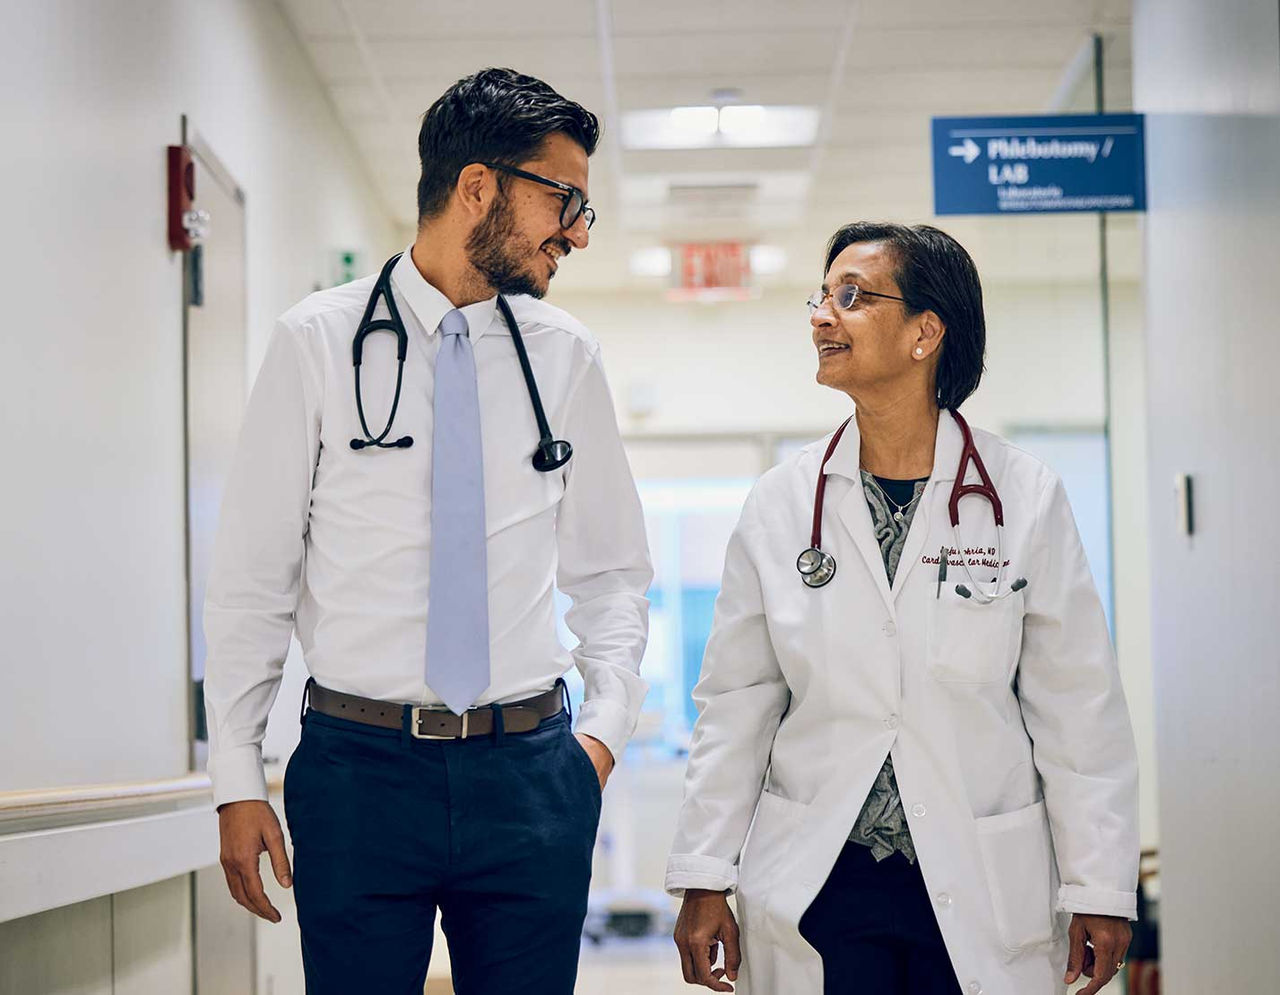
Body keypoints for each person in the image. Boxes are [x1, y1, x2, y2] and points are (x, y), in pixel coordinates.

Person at [204, 68, 651, 994]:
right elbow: (253, 580)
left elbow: (611, 576)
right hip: (356, 773)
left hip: (530, 773)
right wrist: (237, 773)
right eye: (563, 199)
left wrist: (599, 738)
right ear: (478, 186)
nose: (575, 230)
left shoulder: (566, 356)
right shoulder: (317, 343)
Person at [667, 222, 1138, 995]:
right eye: (820, 297)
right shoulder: (782, 504)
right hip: (826, 880)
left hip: (978, 875)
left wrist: (1099, 885)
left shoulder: (1023, 496)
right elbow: (736, 704)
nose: (823, 316)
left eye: (851, 297)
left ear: (926, 333)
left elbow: (1077, 705)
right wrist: (703, 872)